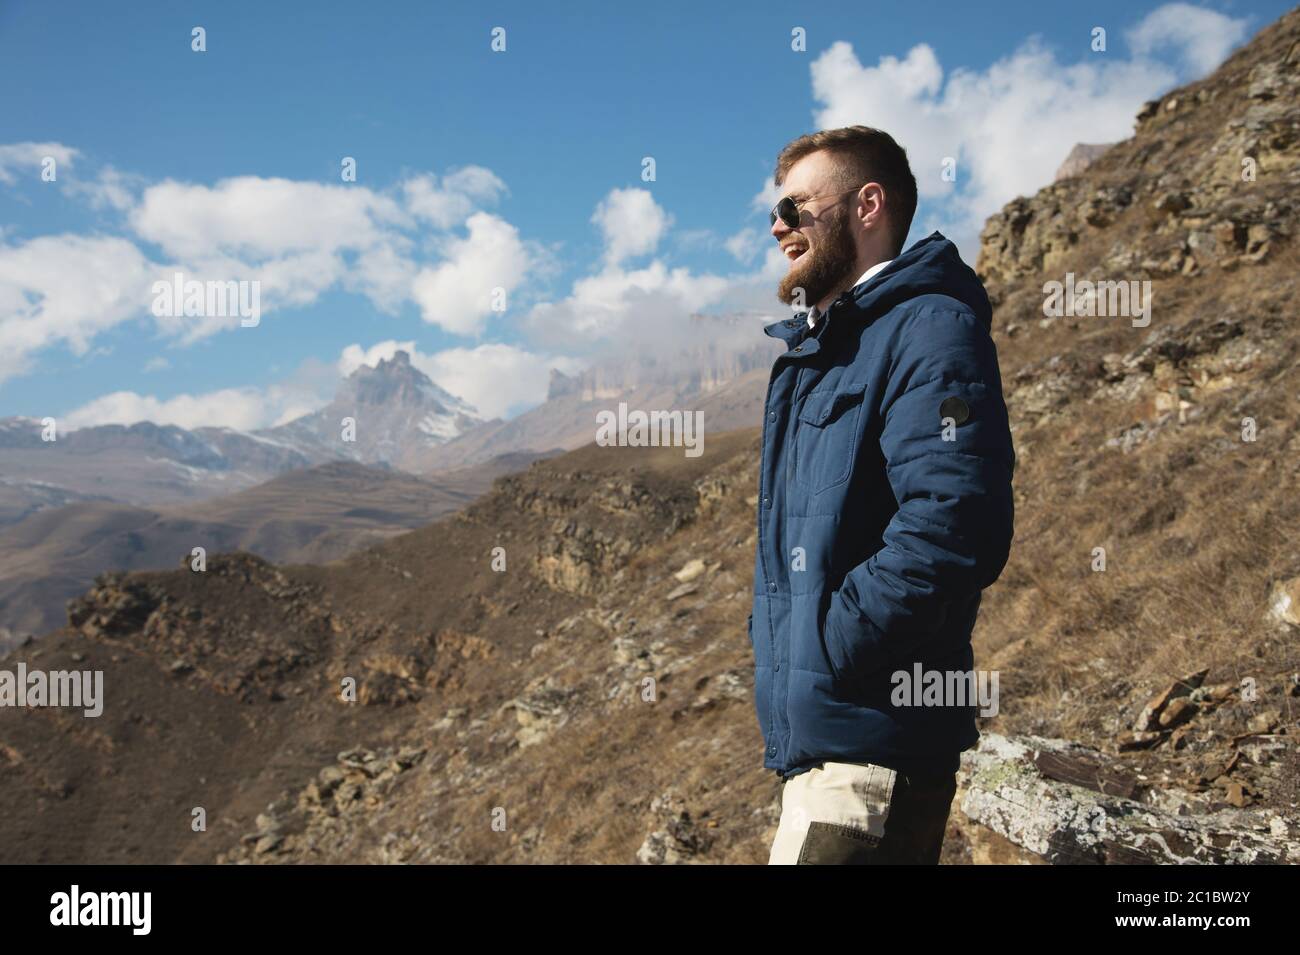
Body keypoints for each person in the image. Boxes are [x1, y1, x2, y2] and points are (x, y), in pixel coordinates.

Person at [750, 126, 1015, 864]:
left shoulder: (929, 328)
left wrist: (832, 645)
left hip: (871, 750)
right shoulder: (832, 346)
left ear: (867, 204)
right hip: (831, 750)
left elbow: (956, 522)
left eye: (796, 206)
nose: (778, 224)